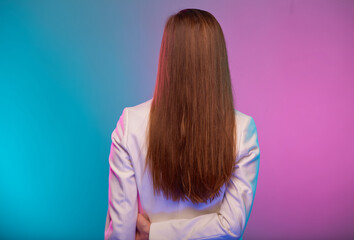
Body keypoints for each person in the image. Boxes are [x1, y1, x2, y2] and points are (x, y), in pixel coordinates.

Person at [104, 8, 260, 240]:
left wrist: (153, 232)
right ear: (217, 60)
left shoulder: (130, 123)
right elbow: (229, 226)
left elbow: (121, 231)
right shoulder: (243, 130)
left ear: (168, 55)